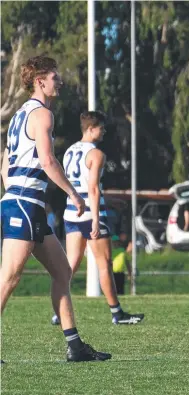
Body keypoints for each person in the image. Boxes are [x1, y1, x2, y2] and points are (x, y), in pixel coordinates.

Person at [0, 55, 110, 362]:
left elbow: (8, 162)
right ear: (40, 81)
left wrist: (15, 189)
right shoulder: (42, 115)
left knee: (62, 271)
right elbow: (47, 161)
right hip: (24, 204)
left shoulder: (22, 114)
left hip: (26, 203)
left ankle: (75, 347)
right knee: (9, 277)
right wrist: (74, 195)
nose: (59, 81)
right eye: (54, 76)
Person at [53, 110, 144, 326]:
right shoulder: (96, 154)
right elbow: (93, 189)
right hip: (91, 210)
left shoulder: (69, 151)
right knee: (104, 263)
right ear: (91, 129)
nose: (104, 132)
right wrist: (95, 219)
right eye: (101, 128)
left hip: (71, 210)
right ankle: (117, 313)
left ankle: (59, 311)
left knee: (70, 265)